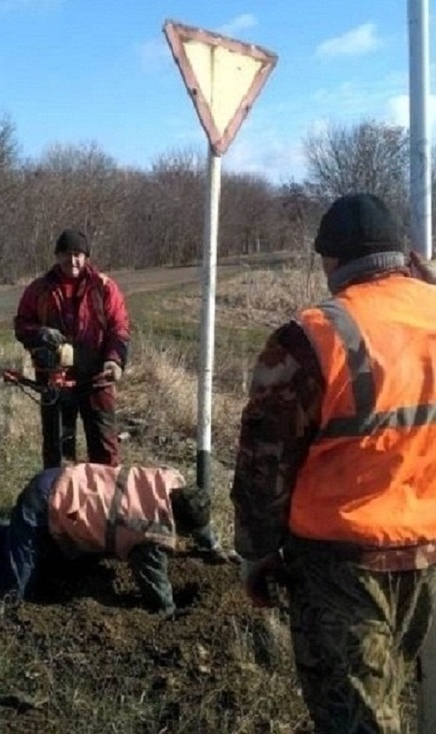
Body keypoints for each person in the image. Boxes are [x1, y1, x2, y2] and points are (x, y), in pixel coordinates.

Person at [230, 192, 436, 733]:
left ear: (331, 259)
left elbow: (263, 466)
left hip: (339, 567)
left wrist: (255, 552)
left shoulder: (312, 337)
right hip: (427, 555)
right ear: (402, 253)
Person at [0, 463, 227, 617]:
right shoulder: (150, 529)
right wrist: (168, 611)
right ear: (175, 521)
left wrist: (213, 545)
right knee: (9, 591)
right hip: (48, 504)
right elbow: (154, 582)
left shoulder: (169, 482)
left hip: (63, 483)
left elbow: (196, 513)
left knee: (41, 555)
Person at [14, 229, 130, 469]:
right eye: (66, 254)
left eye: (78, 254)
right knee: (58, 451)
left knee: (104, 448)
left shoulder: (104, 286)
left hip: (97, 378)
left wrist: (114, 360)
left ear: (86, 257)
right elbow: (22, 324)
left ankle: (104, 501)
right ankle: (60, 500)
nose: (73, 260)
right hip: (55, 380)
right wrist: (40, 333)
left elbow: (119, 327)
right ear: (57, 256)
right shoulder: (39, 288)